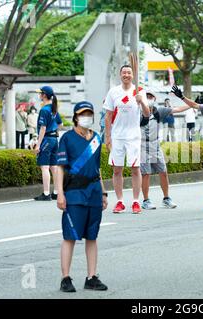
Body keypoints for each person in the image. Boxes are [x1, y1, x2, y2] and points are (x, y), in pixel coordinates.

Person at [56, 101, 108, 293]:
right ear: (76, 117)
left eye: (89, 113)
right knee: (70, 237)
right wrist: (60, 193)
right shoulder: (67, 139)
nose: (86, 117)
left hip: (94, 192)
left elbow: (98, 168)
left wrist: (103, 192)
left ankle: (91, 276)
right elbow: (59, 167)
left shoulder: (96, 138)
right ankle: (65, 278)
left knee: (92, 237)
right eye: (83, 114)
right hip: (74, 194)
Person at [104, 65, 150, 214]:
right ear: (120, 74)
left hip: (133, 137)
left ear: (132, 75)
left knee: (135, 169)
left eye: (129, 72)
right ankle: (120, 201)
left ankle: (136, 202)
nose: (126, 75)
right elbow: (108, 115)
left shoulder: (139, 91)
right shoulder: (113, 92)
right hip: (117, 136)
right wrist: (108, 136)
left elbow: (147, 114)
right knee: (117, 169)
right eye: (124, 72)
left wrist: (141, 101)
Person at [140, 89, 192, 210]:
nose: (148, 98)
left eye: (151, 96)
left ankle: (166, 198)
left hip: (156, 145)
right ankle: (146, 200)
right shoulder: (138, 112)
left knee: (163, 172)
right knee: (146, 174)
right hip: (143, 146)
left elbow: (178, 109)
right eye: (146, 96)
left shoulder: (159, 111)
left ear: (155, 99)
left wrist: (191, 103)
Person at [34, 86, 63, 201]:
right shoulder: (54, 109)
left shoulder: (44, 110)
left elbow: (43, 128)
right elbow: (60, 125)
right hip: (55, 140)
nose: (39, 95)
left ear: (44, 95)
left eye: (40, 93)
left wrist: (38, 144)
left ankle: (46, 194)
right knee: (54, 167)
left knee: (45, 167)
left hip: (46, 140)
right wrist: (54, 130)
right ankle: (56, 192)